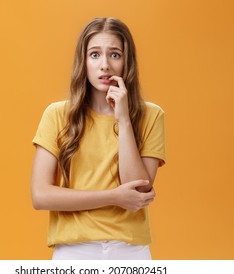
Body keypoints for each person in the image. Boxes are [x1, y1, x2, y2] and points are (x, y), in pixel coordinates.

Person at [31, 17, 166, 260]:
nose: (104, 65)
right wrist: (114, 197)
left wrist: (123, 119)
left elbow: (139, 189)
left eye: (114, 55)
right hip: (74, 251)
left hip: (130, 251)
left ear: (127, 62)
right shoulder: (57, 115)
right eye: (94, 55)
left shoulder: (151, 116)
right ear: (83, 62)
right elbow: (41, 196)